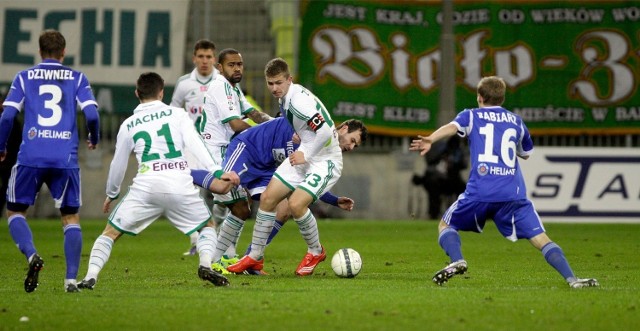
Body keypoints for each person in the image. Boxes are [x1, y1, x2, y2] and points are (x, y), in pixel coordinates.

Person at [409, 76, 599, 288]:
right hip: (512, 194)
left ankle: (457, 260)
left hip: (480, 191)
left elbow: (452, 127)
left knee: (446, 224)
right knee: (540, 238)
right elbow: (526, 153)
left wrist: (430, 139)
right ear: (502, 98)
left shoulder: (471, 115)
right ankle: (572, 279)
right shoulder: (516, 121)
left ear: (479, 97)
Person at [76, 72, 240, 290]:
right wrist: (217, 171)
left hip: (146, 187)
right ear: (162, 92)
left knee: (110, 233)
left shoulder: (129, 123)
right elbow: (196, 144)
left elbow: (118, 163)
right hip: (180, 184)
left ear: (137, 93)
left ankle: (90, 276)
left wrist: (112, 193)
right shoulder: (178, 115)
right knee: (207, 226)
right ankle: (205, 265)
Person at [228, 57, 367, 276]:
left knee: (295, 204)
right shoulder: (286, 98)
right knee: (268, 199)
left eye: (279, 83)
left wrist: (306, 152)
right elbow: (309, 127)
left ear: (289, 80)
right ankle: (254, 256)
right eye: (270, 83)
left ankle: (316, 250)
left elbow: (324, 131)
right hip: (308, 153)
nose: (274, 88)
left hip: (324, 160)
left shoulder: (297, 101)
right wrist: (300, 136)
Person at [0, 29, 100, 293]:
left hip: (30, 156)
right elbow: (91, 114)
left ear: (40, 51)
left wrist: (1, 147)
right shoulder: (77, 78)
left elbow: (7, 117)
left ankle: (32, 255)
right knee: (70, 217)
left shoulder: (24, 77)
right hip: (64, 157)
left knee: (15, 212)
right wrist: (94, 136)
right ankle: (69, 281)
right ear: (64, 52)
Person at [201, 116, 364, 275]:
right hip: (247, 150)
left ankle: (251, 258)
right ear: (344, 128)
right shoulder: (312, 130)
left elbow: (307, 182)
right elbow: (291, 112)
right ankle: (214, 257)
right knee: (225, 190)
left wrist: (334, 200)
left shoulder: (323, 150)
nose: (351, 147)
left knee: (278, 209)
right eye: (353, 140)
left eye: (355, 146)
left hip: (266, 167)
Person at [198, 48, 272, 264]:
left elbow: (253, 113)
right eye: (231, 65)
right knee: (241, 209)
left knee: (236, 203)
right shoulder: (220, 86)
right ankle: (213, 259)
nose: (237, 68)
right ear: (220, 68)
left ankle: (227, 254)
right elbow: (236, 124)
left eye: (239, 64)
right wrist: (265, 133)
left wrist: (275, 124)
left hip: (227, 152)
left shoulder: (234, 88)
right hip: (216, 155)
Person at [170, 39, 219, 255]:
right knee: (190, 192)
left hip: (216, 144)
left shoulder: (222, 81)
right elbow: (172, 112)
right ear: (194, 58)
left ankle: (218, 238)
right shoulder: (184, 84)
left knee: (222, 194)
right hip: (191, 146)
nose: (205, 61)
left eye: (209, 57)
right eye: (201, 56)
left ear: (214, 59)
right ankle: (195, 240)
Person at [412, 136, 466, 219]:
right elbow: (430, 161)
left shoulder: (457, 152)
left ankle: (460, 213)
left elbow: (463, 165)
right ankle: (433, 214)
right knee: (433, 187)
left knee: (463, 188)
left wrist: (454, 163)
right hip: (436, 180)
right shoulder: (440, 149)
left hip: (452, 180)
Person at [0, 95, 22, 214]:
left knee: (6, 188)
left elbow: (17, 142)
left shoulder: (12, 121)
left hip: (8, 161)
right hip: (8, 159)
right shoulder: (12, 120)